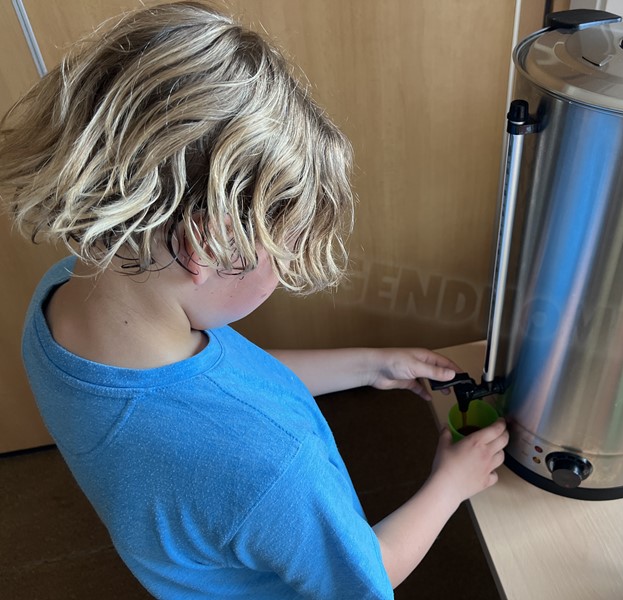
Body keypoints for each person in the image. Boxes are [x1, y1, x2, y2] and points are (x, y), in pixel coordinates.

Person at [0, 2, 509, 598]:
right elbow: (363, 578)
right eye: (284, 252)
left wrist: (372, 364)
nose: (285, 271)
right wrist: (450, 484)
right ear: (207, 245)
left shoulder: (69, 294)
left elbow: (223, 384)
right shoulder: (271, 464)